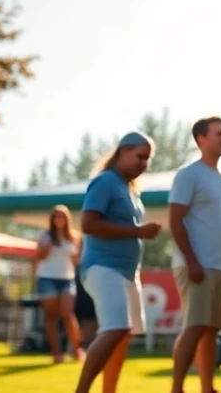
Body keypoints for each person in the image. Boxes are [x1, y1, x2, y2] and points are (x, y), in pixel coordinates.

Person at [168, 116, 221, 393]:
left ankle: (207, 388)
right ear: (201, 139)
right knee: (194, 326)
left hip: (220, 267)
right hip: (196, 266)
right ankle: (177, 388)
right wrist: (192, 261)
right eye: (219, 133)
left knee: (210, 329)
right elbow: (175, 220)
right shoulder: (188, 174)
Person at [74, 132, 163, 393]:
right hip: (102, 267)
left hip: (127, 272)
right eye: (139, 157)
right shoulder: (105, 182)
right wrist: (138, 231)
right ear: (123, 152)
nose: (144, 164)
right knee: (116, 328)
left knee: (123, 334)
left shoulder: (130, 190)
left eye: (148, 159)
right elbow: (88, 224)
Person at [34, 205, 84, 363]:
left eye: (62, 216)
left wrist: (77, 256)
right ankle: (56, 353)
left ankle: (76, 349)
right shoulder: (45, 235)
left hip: (66, 279)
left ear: (67, 219)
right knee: (51, 316)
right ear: (52, 219)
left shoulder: (74, 237)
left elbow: (76, 261)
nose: (59, 219)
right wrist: (48, 245)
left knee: (68, 313)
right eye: (56, 216)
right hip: (46, 278)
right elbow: (39, 256)